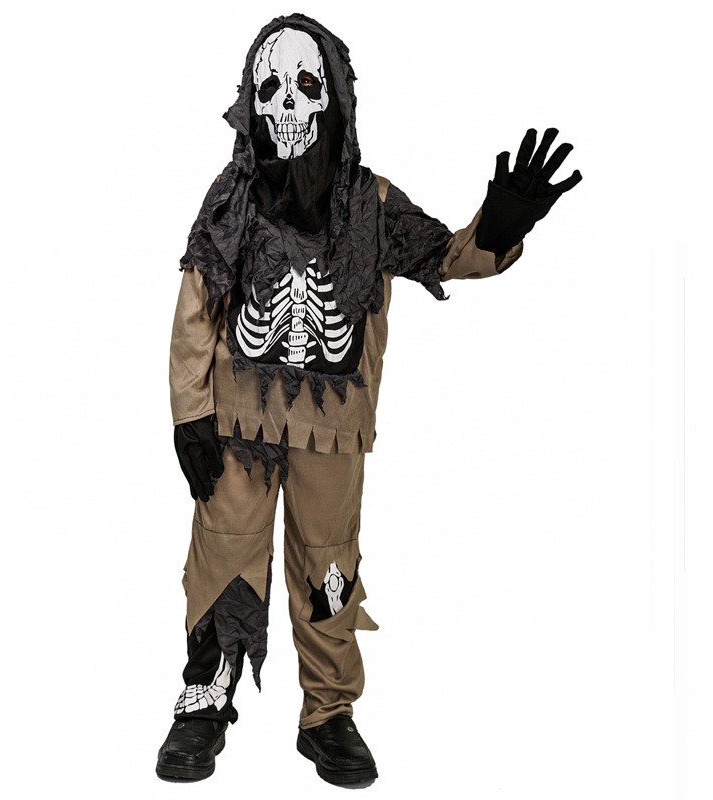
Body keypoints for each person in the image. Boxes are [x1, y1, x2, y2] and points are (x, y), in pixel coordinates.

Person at [156, 12, 581, 787]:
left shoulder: (372, 204)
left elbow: (446, 256)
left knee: (329, 565)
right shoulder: (233, 198)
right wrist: (191, 413)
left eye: (304, 86)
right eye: (271, 89)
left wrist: (499, 227)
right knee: (224, 551)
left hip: (333, 430)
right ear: (251, 101)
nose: (287, 107)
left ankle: (327, 713)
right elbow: (198, 302)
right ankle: (206, 700)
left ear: (333, 99)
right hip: (237, 423)